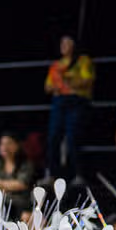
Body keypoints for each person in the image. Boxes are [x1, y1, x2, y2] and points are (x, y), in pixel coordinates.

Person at [43, 35, 95, 184]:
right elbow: (48, 87)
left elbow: (87, 80)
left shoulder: (83, 61)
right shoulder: (56, 65)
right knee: (53, 137)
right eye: (62, 43)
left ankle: (78, 174)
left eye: (67, 43)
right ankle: (52, 174)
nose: (64, 46)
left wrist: (65, 82)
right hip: (59, 102)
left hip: (77, 101)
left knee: (73, 137)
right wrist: (64, 84)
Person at [0, 132, 38, 221]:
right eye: (2, 144)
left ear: (17, 145)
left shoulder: (26, 165)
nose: (5, 147)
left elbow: (22, 184)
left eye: (9, 143)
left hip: (20, 208)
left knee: (27, 216)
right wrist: (8, 186)